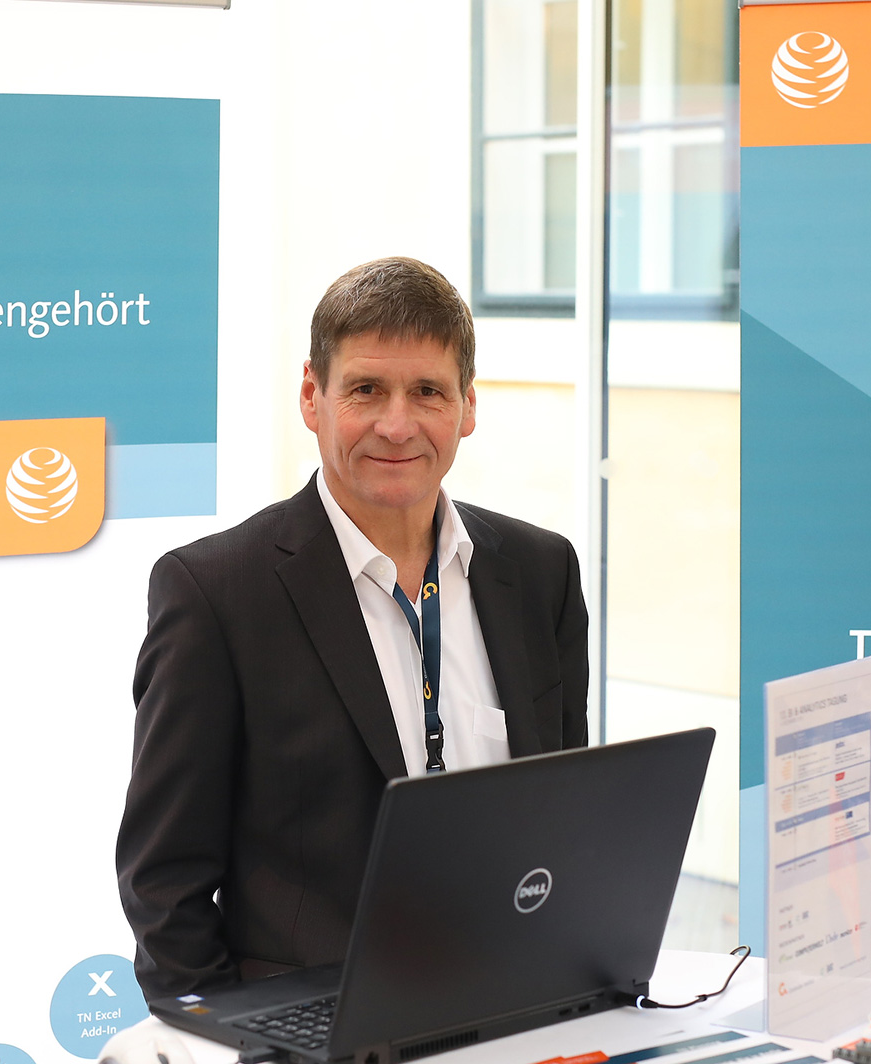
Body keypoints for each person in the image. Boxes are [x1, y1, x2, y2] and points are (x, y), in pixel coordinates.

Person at [115, 256, 590, 1003]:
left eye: (427, 392)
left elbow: (570, 819)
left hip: (514, 1004)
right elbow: (163, 884)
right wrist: (239, 1039)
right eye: (366, 390)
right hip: (315, 1031)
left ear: (467, 405)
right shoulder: (215, 593)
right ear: (313, 396)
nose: (397, 426)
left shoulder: (541, 572)